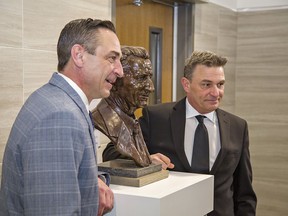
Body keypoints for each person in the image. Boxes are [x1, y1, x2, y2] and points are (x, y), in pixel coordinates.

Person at [0, 18, 123, 216]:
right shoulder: (60, 116)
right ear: (79, 55)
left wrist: (94, 180)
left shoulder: (56, 99)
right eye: (112, 58)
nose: (120, 71)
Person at [139, 50, 257, 215]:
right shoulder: (156, 118)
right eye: (206, 84)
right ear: (186, 84)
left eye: (220, 84)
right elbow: (112, 152)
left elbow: (244, 192)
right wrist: (145, 159)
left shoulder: (238, 127)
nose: (216, 93)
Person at [92, 45, 170, 167]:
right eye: (141, 78)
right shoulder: (101, 119)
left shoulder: (132, 120)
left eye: (149, 78)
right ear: (116, 79)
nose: (151, 87)